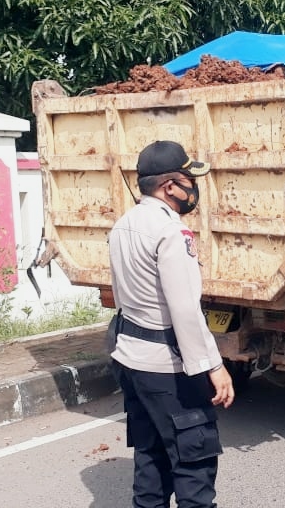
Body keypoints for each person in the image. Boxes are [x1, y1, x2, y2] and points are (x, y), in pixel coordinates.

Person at [108, 140, 234, 508]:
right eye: (188, 181)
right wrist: (214, 366)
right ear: (169, 187)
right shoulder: (171, 232)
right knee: (194, 463)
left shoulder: (123, 225)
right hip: (168, 367)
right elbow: (185, 310)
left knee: (151, 459)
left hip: (132, 360)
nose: (193, 189)